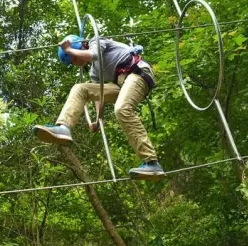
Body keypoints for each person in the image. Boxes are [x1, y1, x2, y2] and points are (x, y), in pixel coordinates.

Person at [32, 35, 165, 180]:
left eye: (74, 58)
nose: (75, 63)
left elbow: (94, 55)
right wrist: (97, 120)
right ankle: (63, 127)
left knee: (122, 109)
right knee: (80, 88)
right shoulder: (94, 73)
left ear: (81, 46)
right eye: (72, 62)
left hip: (137, 73)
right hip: (120, 85)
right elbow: (99, 95)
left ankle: (151, 162)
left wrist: (69, 49)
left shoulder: (96, 41)